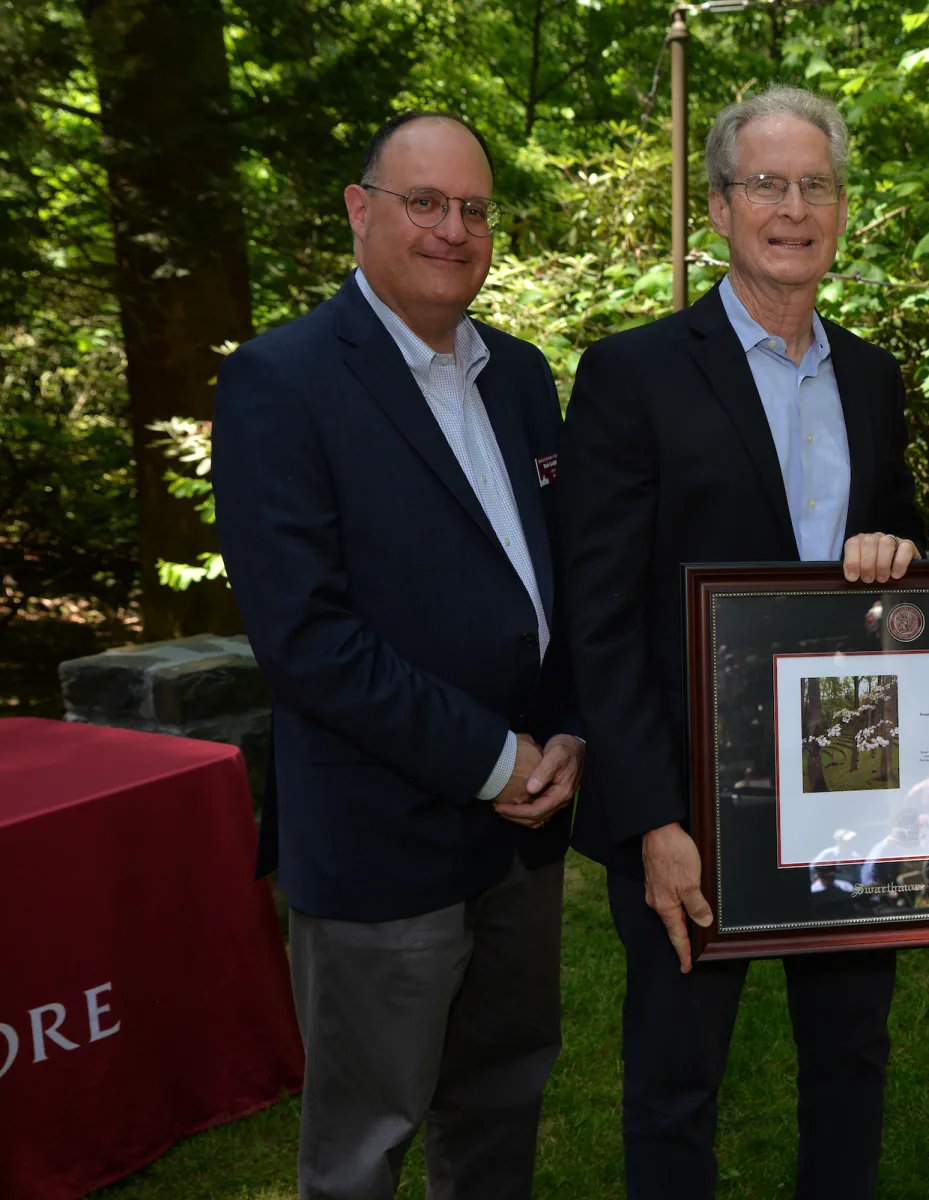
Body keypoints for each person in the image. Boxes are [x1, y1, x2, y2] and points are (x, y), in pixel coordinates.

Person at [559, 84, 926, 1199]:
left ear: (843, 211)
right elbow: (601, 614)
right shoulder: (632, 374)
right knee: (676, 1078)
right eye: (767, 183)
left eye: (816, 185)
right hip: (694, 794)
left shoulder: (870, 376)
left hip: (852, 773)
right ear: (719, 207)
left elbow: (901, 532)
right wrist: (653, 818)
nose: (793, 206)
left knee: (851, 1056)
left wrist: (894, 548)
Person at [212, 111, 583, 1198]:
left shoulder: (517, 374)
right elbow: (306, 638)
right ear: (360, 210)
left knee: (502, 1104)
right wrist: (493, 757)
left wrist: (563, 733)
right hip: (382, 837)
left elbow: (549, 583)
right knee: (364, 1144)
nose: (454, 229)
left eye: (473, 209)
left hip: (524, 836)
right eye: (426, 202)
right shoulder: (281, 382)